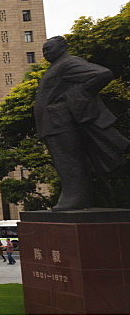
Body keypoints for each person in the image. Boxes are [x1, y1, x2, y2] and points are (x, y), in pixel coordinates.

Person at [34, 35, 130, 210]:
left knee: (69, 160)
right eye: (44, 50)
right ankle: (73, 196)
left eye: (49, 48)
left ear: (62, 47)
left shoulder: (68, 63)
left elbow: (102, 74)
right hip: (51, 123)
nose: (45, 52)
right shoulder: (56, 67)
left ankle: (75, 197)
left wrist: (76, 94)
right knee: (62, 161)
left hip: (61, 122)